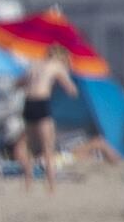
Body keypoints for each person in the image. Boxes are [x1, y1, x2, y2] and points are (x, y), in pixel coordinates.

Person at [19, 44, 80, 194]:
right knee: (47, 147)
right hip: (41, 103)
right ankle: (51, 186)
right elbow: (72, 90)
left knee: (30, 147)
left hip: (28, 103)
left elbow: (20, 83)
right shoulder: (57, 66)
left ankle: (28, 182)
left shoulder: (35, 64)